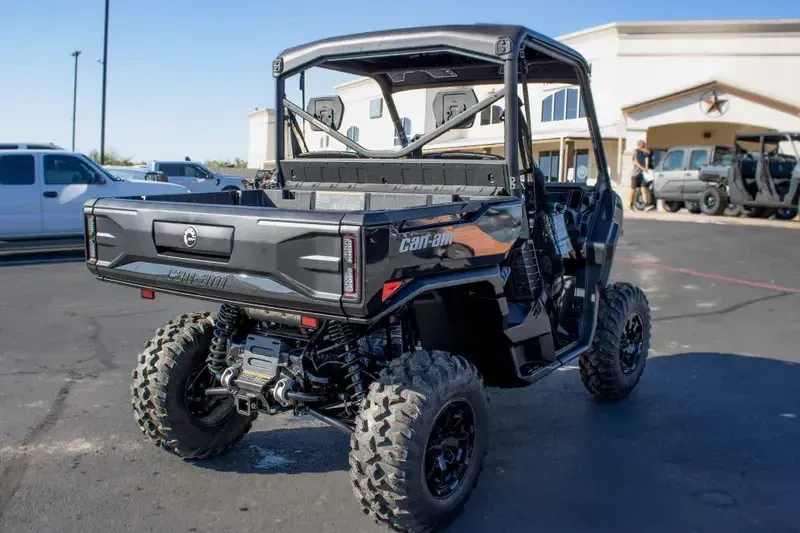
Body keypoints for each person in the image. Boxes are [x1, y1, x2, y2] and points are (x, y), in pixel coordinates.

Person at [629, 140, 654, 211]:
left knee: (643, 188)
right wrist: (643, 168)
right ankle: (630, 205)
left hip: (642, 174)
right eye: (643, 144)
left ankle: (646, 205)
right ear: (640, 144)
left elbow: (648, 154)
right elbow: (635, 161)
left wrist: (646, 168)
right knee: (633, 190)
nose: (644, 145)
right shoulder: (635, 152)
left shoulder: (644, 152)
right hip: (635, 174)